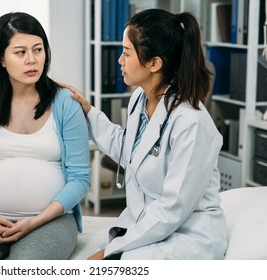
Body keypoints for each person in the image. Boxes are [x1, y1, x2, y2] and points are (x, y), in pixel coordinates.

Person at [60, 9, 227, 260]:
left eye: (126, 53)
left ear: (154, 63)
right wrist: (88, 111)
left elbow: (172, 210)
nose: (119, 61)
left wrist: (110, 250)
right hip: (151, 224)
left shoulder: (192, 125)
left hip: (187, 235)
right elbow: (129, 149)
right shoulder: (141, 98)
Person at [0, 12, 91, 260]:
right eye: (20, 52)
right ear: (1, 59)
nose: (32, 60)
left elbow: (80, 178)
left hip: (51, 221)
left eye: (38, 50)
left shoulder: (66, 103)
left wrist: (36, 221)